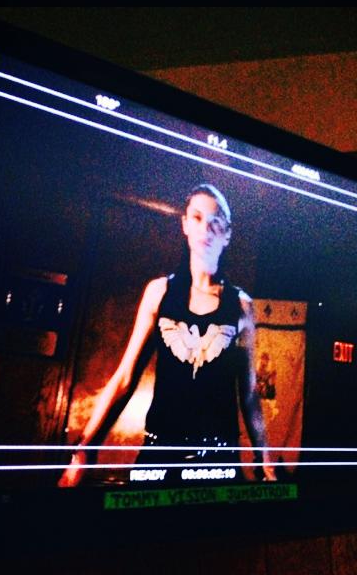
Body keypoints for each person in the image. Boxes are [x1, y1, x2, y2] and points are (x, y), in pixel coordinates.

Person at [58, 184, 276, 486]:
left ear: (227, 234)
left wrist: (264, 458)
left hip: (218, 459)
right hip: (160, 452)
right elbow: (125, 377)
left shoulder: (241, 306)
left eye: (215, 222)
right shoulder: (159, 292)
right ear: (185, 224)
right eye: (197, 218)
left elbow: (249, 394)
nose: (205, 229)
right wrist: (84, 450)